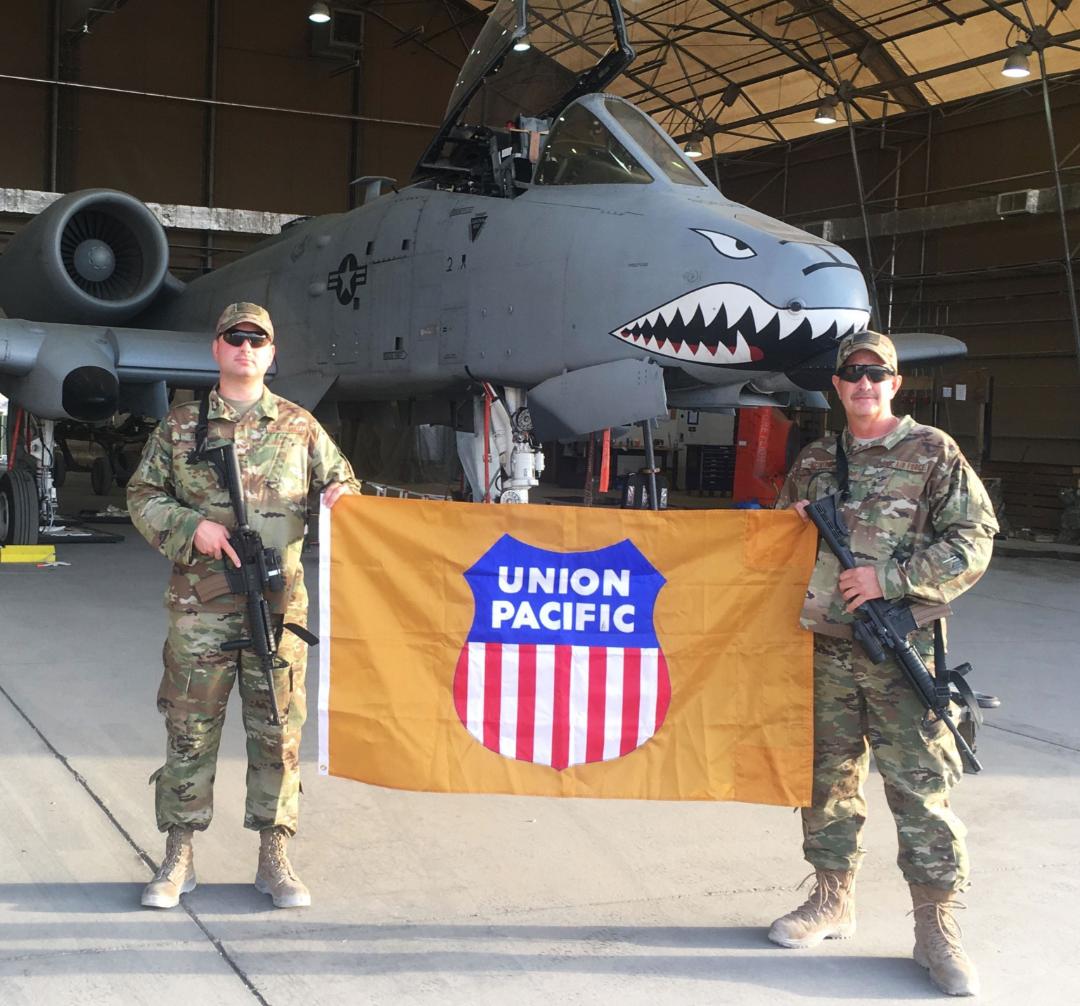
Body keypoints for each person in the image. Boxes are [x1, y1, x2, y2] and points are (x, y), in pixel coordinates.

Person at [770, 330, 998, 997]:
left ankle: (937, 928)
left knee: (921, 788)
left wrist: (890, 580)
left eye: (878, 374)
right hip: (825, 649)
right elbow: (781, 544)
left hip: (901, 648)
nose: (865, 384)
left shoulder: (933, 452)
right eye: (852, 375)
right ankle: (832, 899)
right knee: (827, 783)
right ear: (837, 386)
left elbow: (974, 540)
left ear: (894, 384)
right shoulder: (816, 459)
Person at [127, 302, 361, 910]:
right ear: (217, 348)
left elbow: (346, 487)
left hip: (278, 609)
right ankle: (178, 854)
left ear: (272, 353)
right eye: (235, 337)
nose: (246, 348)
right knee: (189, 730)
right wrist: (191, 526)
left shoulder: (300, 427)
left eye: (258, 339)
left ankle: (274, 857)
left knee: (278, 731)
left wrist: (341, 495)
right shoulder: (180, 427)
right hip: (201, 609)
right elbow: (143, 496)